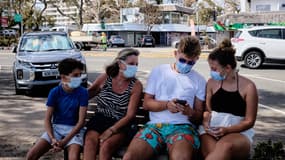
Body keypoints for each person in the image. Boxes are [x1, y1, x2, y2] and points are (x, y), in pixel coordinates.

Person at [123, 36, 206, 160]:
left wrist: (190, 112)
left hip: (183, 127)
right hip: (155, 126)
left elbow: (199, 115)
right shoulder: (159, 71)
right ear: (175, 53)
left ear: (197, 59)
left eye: (191, 63)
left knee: (180, 158)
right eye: (182, 60)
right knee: (130, 157)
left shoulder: (199, 80)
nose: (186, 65)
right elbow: (146, 103)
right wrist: (167, 105)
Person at [198, 39, 258, 160]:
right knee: (215, 152)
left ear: (228, 68)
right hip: (212, 128)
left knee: (224, 146)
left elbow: (249, 121)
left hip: (238, 132)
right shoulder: (211, 83)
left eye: (214, 69)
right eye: (210, 68)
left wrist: (227, 130)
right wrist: (205, 121)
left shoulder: (248, 86)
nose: (211, 72)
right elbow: (208, 110)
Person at [84, 48, 143, 160]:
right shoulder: (106, 77)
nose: (134, 67)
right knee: (90, 142)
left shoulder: (136, 85)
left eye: (136, 64)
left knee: (106, 146)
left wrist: (111, 130)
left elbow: (130, 115)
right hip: (100, 119)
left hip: (121, 124)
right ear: (120, 64)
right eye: (131, 64)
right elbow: (89, 93)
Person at [26, 58, 88, 160]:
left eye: (80, 75)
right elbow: (47, 119)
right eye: (75, 75)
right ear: (63, 77)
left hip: (75, 131)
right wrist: (52, 138)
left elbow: (81, 122)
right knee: (31, 155)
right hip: (56, 130)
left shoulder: (82, 92)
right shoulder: (55, 92)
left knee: (73, 157)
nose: (79, 78)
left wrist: (64, 142)